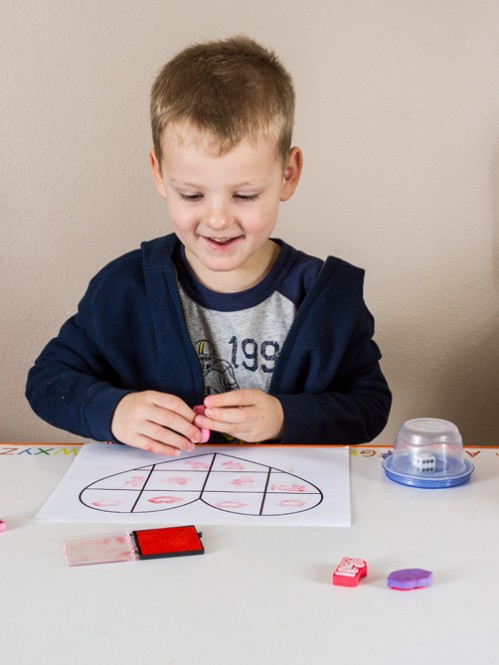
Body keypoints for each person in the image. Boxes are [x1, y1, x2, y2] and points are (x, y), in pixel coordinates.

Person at [26, 35, 391, 457]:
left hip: (286, 504)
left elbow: (369, 405)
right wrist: (115, 411)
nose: (218, 220)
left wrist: (285, 417)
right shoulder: (124, 287)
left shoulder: (324, 298)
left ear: (287, 175)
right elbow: (48, 380)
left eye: (245, 195)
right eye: (193, 195)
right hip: (163, 498)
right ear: (159, 174)